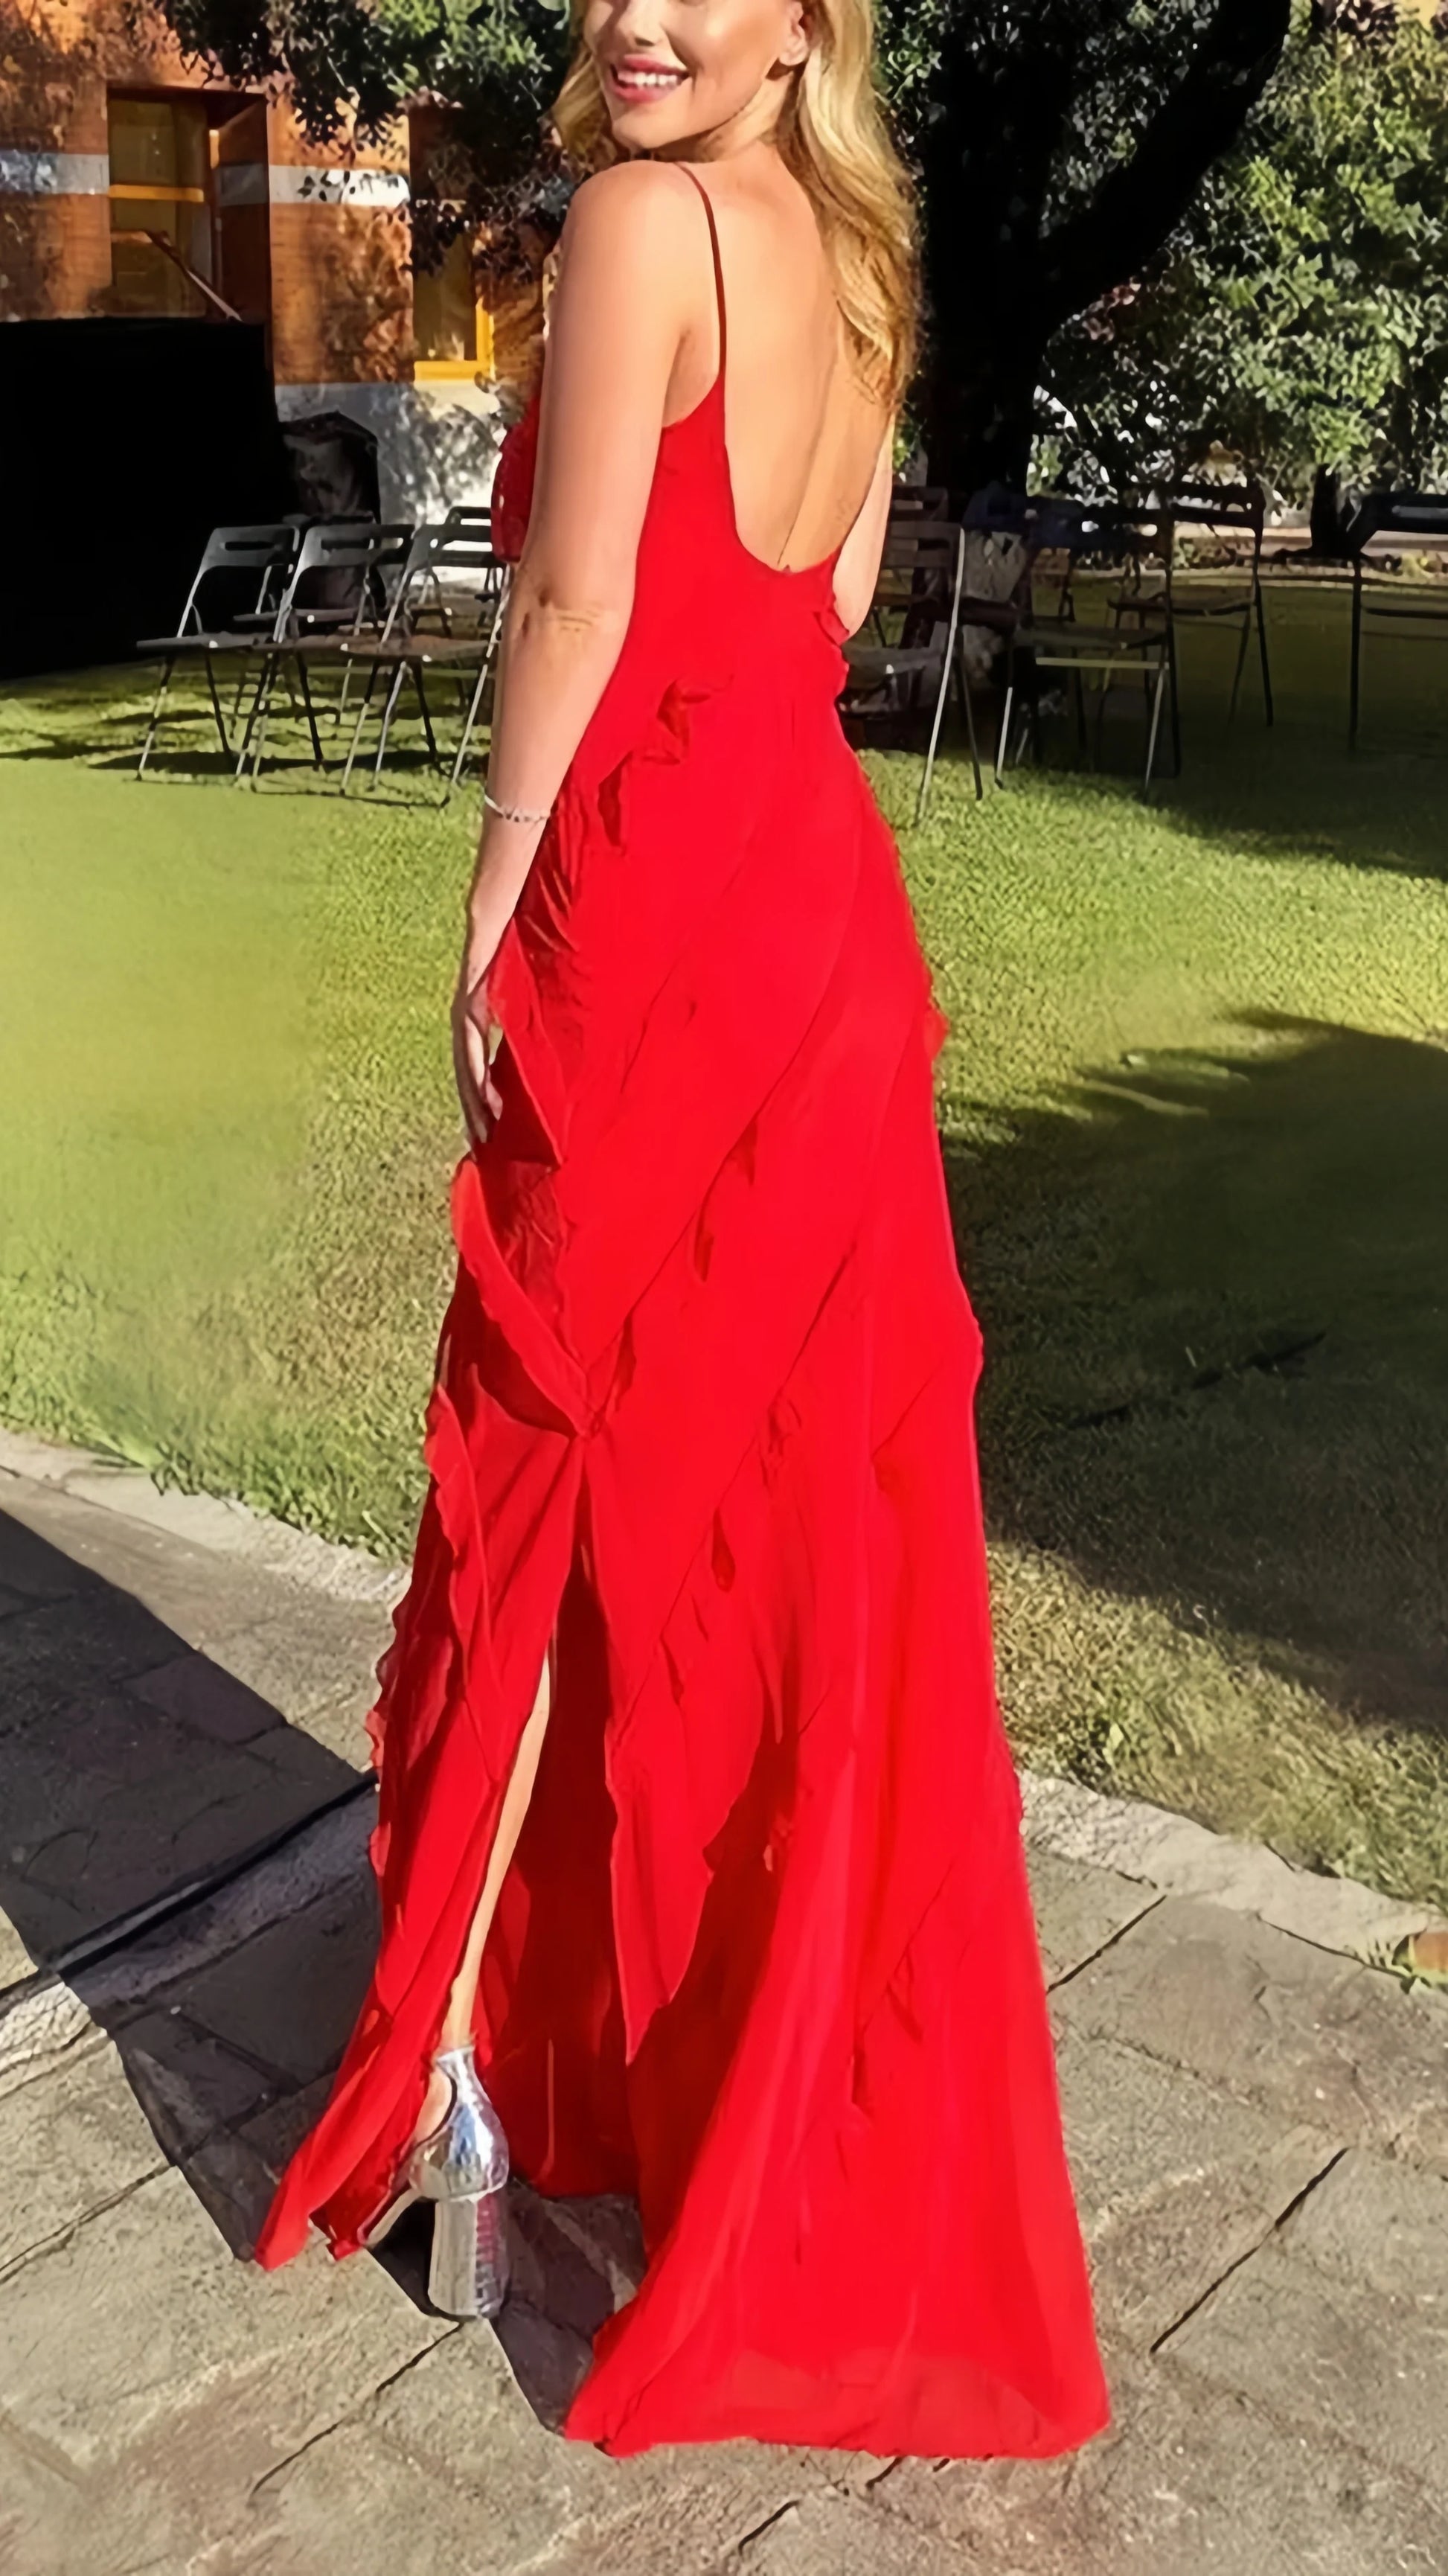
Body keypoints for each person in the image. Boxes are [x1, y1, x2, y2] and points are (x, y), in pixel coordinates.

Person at [256, 0, 1109, 2464]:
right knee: (775, 1528)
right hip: (811, 910)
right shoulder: (859, 262)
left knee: (561, 1481)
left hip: (650, 894)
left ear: (799, 24)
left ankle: (468, 2093)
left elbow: (569, 605)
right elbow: (819, 613)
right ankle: (709, 2083)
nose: (639, 16)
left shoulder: (643, 224)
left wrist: (497, 875)